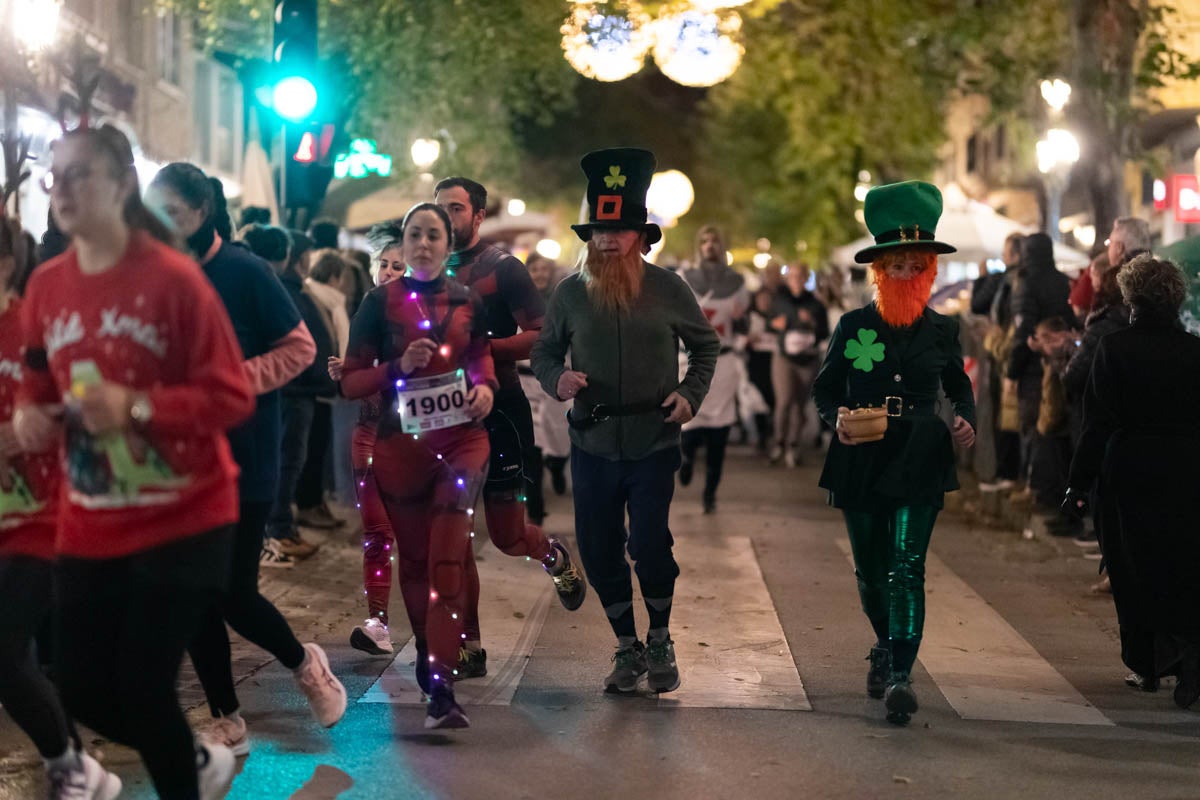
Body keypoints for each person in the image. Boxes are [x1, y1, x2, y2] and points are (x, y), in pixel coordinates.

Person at [14, 123, 255, 798]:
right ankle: (195, 760)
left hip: (187, 514)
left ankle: (184, 772)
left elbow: (232, 395)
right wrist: (33, 414)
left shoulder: (173, 278)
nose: (59, 189)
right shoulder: (47, 285)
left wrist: (139, 407)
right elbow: (38, 378)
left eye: (77, 175)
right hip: (93, 511)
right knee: (84, 686)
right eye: (52, 176)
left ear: (121, 185)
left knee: (145, 687)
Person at [146, 162, 346, 757]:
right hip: (179, 463)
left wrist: (231, 380)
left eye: (173, 215)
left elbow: (301, 350)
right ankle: (227, 719)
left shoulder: (245, 270)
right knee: (193, 594)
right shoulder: (158, 274)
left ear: (203, 212)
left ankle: (304, 663)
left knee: (233, 591)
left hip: (246, 457)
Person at [532, 148, 719, 694]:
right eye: (599, 230)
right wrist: (556, 380)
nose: (608, 239)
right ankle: (625, 645)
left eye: (619, 230)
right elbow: (545, 354)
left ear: (641, 235)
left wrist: (690, 394)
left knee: (651, 545)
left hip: (654, 439)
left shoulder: (668, 288)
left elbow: (705, 349)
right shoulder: (569, 293)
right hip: (591, 438)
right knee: (596, 545)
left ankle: (659, 635)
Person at [812, 181, 976, 726]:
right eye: (897, 265)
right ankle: (885, 642)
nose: (906, 274)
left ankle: (901, 672)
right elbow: (824, 388)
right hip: (862, 452)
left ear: (929, 270)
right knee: (871, 570)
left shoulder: (945, 330)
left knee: (908, 566)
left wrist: (966, 420)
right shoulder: (854, 327)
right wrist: (832, 418)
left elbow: (961, 385)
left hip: (921, 454)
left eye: (916, 265)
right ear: (879, 271)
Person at [341, 202, 496, 729]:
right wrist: (396, 368)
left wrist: (486, 392)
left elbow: (482, 363)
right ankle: (433, 672)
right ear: (403, 246)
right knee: (414, 562)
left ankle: (443, 685)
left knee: (448, 560)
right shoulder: (375, 304)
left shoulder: (467, 300)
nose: (424, 243)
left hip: (461, 443)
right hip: (400, 448)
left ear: (448, 247)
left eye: (434, 235)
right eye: (415, 235)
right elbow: (351, 382)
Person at [434, 176, 587, 680]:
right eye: (440, 209)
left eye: (455, 209)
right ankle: (468, 646)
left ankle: (554, 557)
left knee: (505, 536)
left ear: (478, 216)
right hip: (441, 420)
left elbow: (542, 336)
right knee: (453, 536)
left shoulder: (503, 269)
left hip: (500, 413)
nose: (445, 218)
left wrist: (480, 350)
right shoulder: (423, 272)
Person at [0, 216, 122, 798]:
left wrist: (29, 430)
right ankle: (76, 764)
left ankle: (72, 766)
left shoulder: (37, 326)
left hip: (43, 517)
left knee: (4, 653)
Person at [1064, 255, 1200, 708]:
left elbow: (1096, 423)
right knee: (1182, 562)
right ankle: (1188, 660)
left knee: (1133, 566)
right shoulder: (1195, 352)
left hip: (1130, 468)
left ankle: (1146, 663)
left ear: (1130, 296)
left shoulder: (1115, 348)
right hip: (1186, 468)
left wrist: (1077, 484)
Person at [328, 223, 405, 656]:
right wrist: (347, 373)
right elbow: (355, 382)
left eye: (399, 265)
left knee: (421, 536)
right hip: (369, 431)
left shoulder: (431, 313)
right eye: (384, 263)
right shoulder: (365, 311)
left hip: (415, 438)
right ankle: (378, 623)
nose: (388, 271)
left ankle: (451, 631)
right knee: (376, 532)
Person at [264, 230, 337, 562]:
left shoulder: (296, 291)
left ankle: (283, 527)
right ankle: (279, 530)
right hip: (295, 391)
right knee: (288, 461)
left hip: (306, 390)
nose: (309, 262)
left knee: (293, 460)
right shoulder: (288, 293)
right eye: (305, 256)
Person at [679, 225, 750, 513]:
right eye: (705, 240)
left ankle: (710, 493)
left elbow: (745, 326)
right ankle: (685, 461)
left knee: (719, 434)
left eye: (715, 240)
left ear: (723, 246)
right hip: (692, 362)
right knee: (689, 426)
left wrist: (741, 319)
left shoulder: (737, 283)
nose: (710, 245)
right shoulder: (685, 280)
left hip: (724, 364)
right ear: (699, 246)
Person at [1004, 233, 1071, 490]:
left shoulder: (1027, 285)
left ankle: (1036, 487)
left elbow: (1023, 334)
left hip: (1033, 369)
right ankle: (1050, 488)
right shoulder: (1063, 281)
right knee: (1054, 426)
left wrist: (1012, 372)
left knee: (1033, 426)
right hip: (1061, 364)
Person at [769, 262, 829, 467]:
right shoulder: (780, 299)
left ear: (805, 278)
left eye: (799, 276)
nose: (795, 279)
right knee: (784, 401)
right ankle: (779, 442)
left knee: (799, 405)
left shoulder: (815, 303)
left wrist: (811, 323)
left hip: (807, 359)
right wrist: (780, 323)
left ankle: (793, 445)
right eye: (792, 276)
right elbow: (771, 321)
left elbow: (824, 331)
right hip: (784, 358)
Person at [744, 287, 778, 451]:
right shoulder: (750, 318)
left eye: (767, 300)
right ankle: (761, 435)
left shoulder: (776, 318)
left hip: (774, 361)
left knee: (773, 397)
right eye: (761, 300)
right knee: (758, 397)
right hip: (756, 362)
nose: (764, 303)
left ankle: (772, 431)